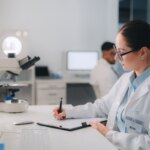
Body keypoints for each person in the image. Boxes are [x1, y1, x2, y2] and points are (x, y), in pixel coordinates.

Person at [53, 20, 150, 150]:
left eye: (121, 52)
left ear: (142, 53)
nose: (116, 58)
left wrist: (108, 134)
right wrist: (69, 112)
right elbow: (102, 106)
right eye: (115, 51)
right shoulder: (125, 80)